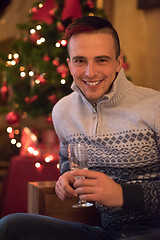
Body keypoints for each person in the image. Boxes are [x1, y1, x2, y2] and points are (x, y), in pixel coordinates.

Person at [0, 16, 160, 240]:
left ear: (118, 62)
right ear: (69, 64)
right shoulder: (63, 111)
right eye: (80, 61)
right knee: (10, 226)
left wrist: (123, 194)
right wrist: (66, 182)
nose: (90, 72)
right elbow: (69, 170)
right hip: (107, 233)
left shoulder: (155, 107)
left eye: (101, 60)